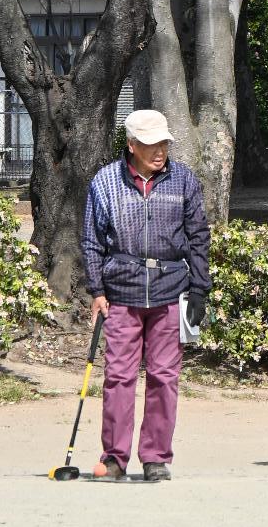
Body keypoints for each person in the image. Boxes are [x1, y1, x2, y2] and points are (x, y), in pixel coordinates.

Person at [81, 108, 211, 482]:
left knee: (164, 377)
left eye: (164, 143)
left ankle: (155, 457)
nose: (160, 151)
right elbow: (91, 241)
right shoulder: (105, 182)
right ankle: (114, 458)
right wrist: (97, 289)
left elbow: (199, 236)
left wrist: (200, 287)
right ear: (132, 145)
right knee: (119, 377)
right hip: (121, 292)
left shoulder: (183, 179)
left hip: (171, 291)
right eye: (152, 144)